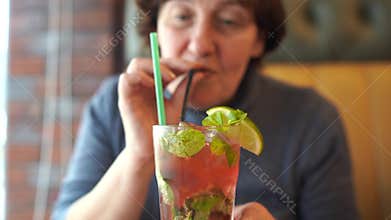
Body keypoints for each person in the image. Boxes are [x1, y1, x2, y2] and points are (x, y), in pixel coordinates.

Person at [52, 0, 359, 219]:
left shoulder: (311, 118)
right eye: (182, 17)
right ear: (156, 27)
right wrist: (143, 152)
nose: (200, 45)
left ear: (258, 40)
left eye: (228, 21)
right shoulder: (115, 103)